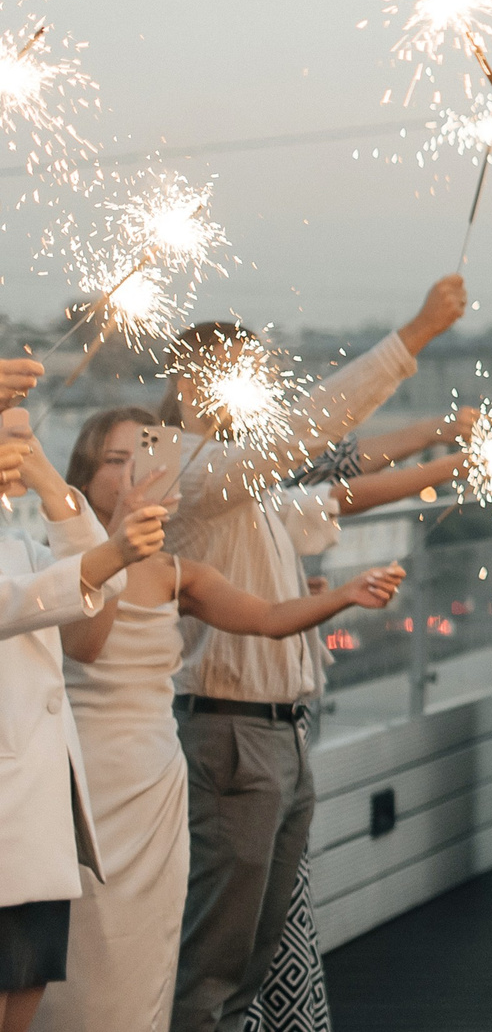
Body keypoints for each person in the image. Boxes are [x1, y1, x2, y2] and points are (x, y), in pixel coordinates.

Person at [37, 408, 406, 1032]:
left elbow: (265, 618)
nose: (132, 475)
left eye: (143, 460)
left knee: (162, 949)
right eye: (115, 462)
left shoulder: (176, 570)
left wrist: (346, 596)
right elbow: (87, 643)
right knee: (99, 953)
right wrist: (116, 542)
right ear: (84, 478)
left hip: (158, 775)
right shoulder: (53, 561)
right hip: (90, 774)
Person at [169, 278, 469, 1032]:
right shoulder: (191, 474)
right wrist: (413, 335)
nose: (258, 392)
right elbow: (309, 440)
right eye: (241, 374)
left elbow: (337, 494)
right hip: (231, 736)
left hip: (279, 735)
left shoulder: (245, 484)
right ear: (189, 384)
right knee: (210, 970)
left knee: (249, 966)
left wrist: (447, 464)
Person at [0, 366, 168, 1032]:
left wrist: (47, 480)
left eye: (22, 437)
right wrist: (114, 551)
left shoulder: (17, 538)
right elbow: (20, 601)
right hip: (8, 817)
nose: (15, 447)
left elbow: (100, 581)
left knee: (26, 991)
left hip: (36, 817)